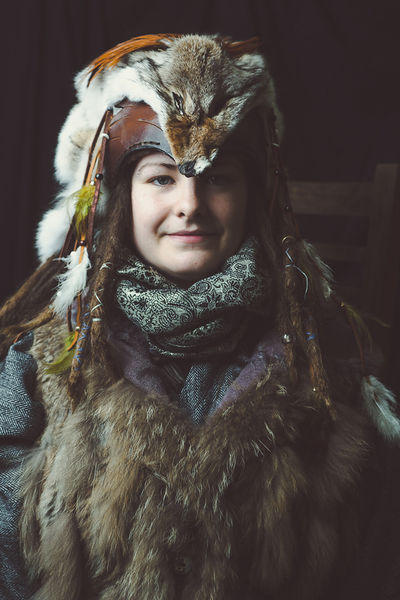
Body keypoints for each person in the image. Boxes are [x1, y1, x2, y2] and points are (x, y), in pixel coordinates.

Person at [0, 32, 399, 600]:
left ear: (251, 196)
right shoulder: (42, 364)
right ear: (122, 199)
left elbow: (376, 566)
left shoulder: (328, 366)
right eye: (162, 178)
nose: (189, 204)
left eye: (217, 178)